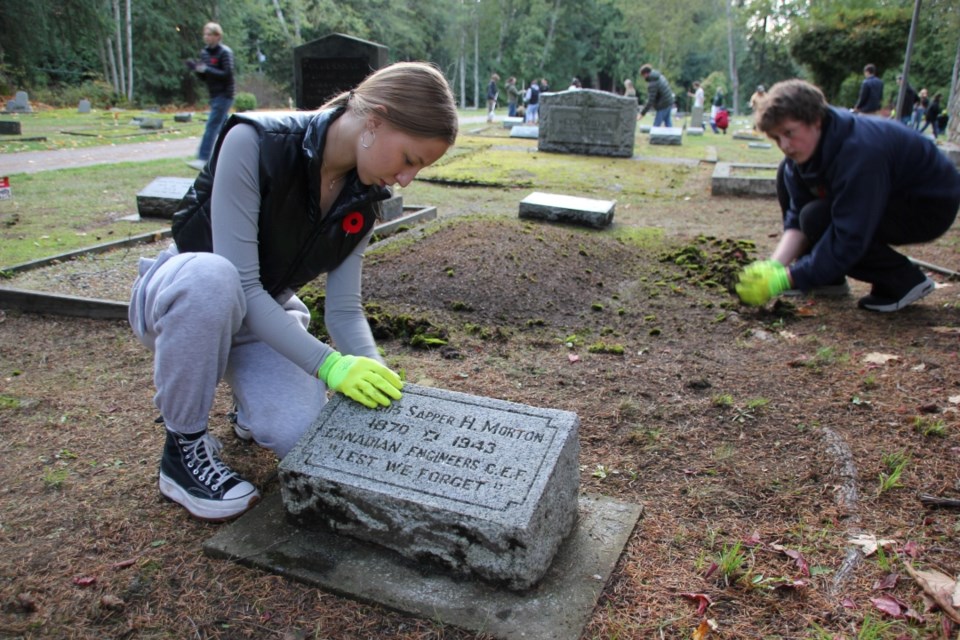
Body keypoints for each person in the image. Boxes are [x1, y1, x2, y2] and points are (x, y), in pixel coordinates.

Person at [128, 62, 458, 521]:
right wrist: (328, 365)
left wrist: (377, 377)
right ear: (376, 120)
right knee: (214, 278)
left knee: (305, 438)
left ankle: (250, 409)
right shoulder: (255, 142)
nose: (406, 179)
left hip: (262, 320)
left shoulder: (362, 198)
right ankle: (182, 450)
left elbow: (344, 310)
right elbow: (240, 282)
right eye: (409, 159)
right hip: (186, 298)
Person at [735, 79, 960, 313]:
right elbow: (795, 217)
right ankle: (826, 276)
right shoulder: (803, 154)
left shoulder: (861, 151)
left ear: (816, 120)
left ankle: (903, 280)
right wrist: (775, 266)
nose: (785, 145)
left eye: (789, 133)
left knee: (817, 219)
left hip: (927, 205)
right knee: (787, 175)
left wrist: (787, 279)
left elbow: (849, 236)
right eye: (776, 138)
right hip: (883, 193)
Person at [188, 22, 235, 163]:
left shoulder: (225, 52)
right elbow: (205, 77)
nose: (206, 37)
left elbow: (227, 73)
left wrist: (206, 69)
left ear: (217, 36)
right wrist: (196, 69)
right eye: (205, 34)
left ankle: (203, 158)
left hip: (225, 94)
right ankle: (230, 155)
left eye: (209, 34)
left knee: (212, 126)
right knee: (224, 128)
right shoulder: (205, 53)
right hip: (214, 95)